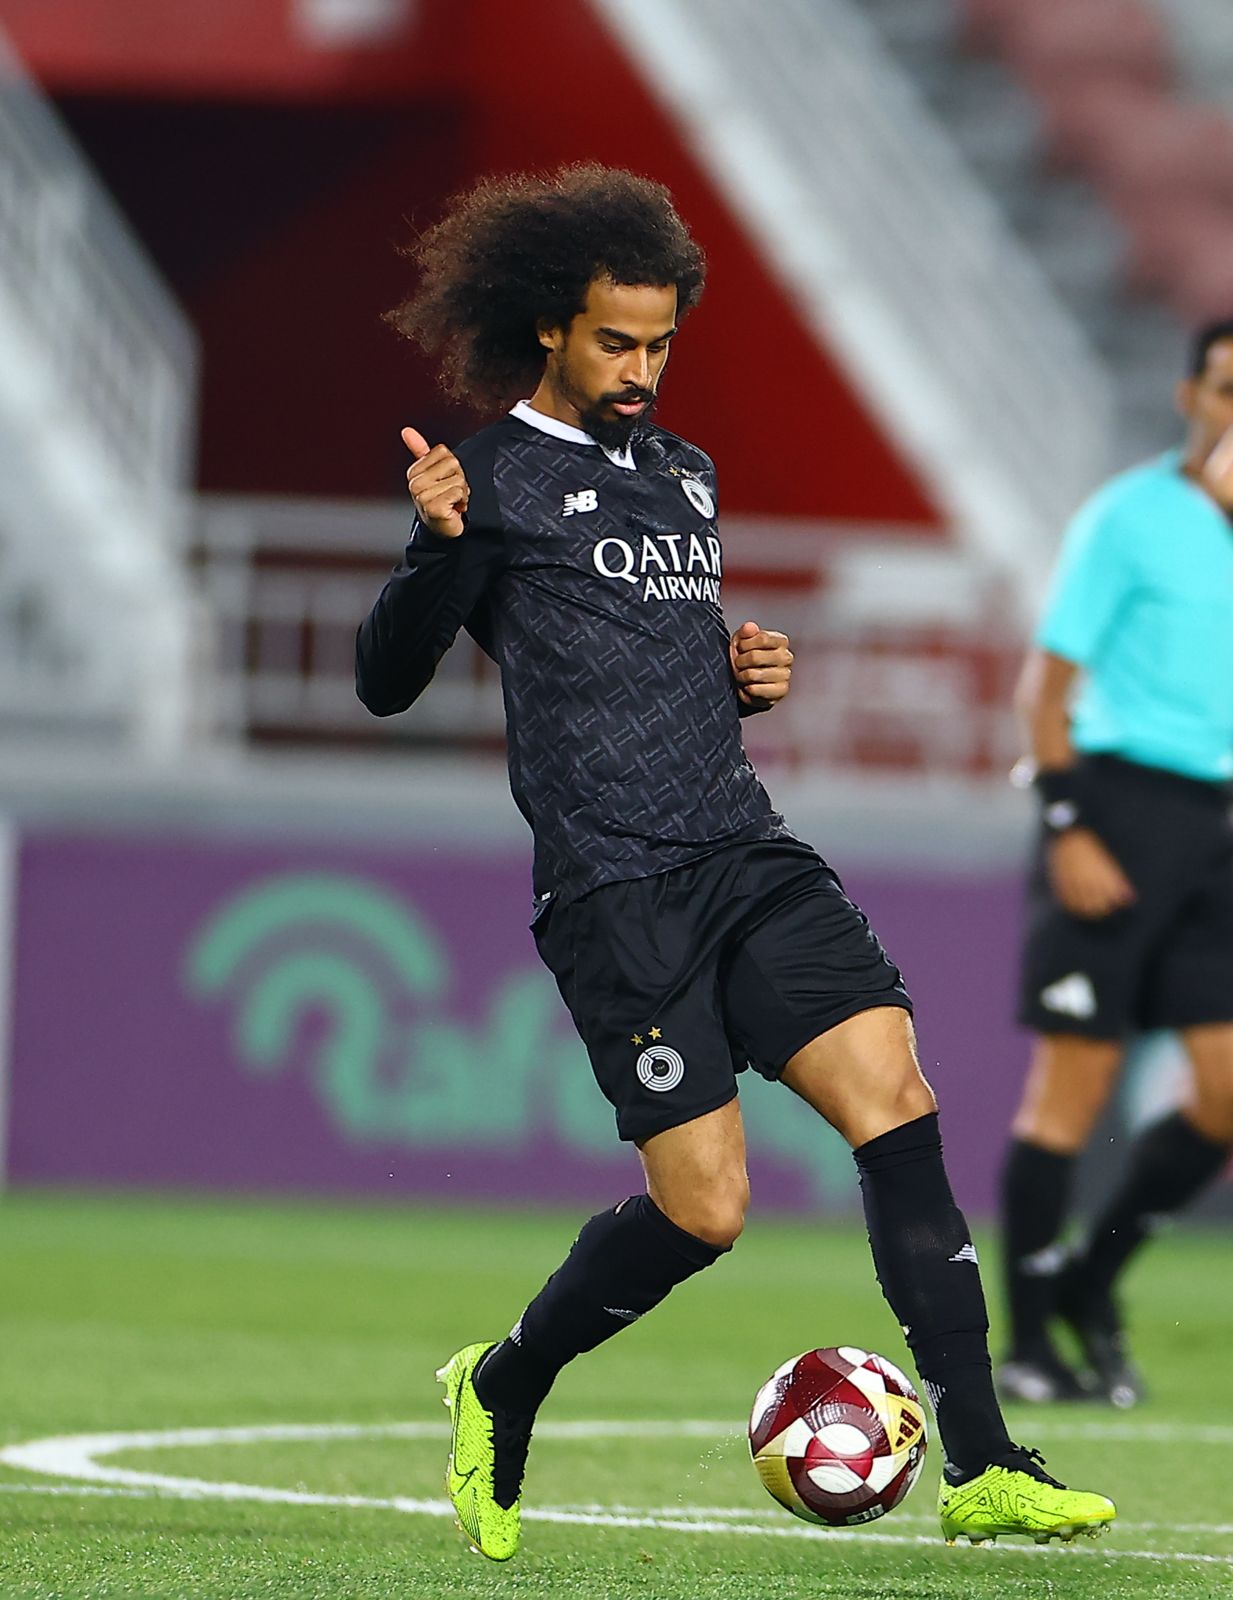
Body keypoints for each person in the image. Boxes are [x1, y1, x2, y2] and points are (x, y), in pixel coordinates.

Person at [356, 163, 1114, 1560]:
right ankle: (504, 1380)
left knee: (896, 1097)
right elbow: (385, 681)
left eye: (660, 345)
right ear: (550, 327)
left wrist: (737, 676)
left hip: (744, 851)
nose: (641, 371)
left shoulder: (683, 474)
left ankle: (985, 1460)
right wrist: (434, 547)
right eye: (615, 343)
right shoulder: (493, 479)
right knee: (705, 1212)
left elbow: (641, 659)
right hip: (615, 888)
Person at [998, 320, 1233, 1409]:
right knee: (1071, 1090)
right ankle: (1028, 1343)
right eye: (1225, 388)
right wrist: (1068, 826)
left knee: (1225, 1096)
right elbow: (1043, 692)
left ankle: (1092, 1280)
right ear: (1189, 395)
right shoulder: (1128, 518)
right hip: (1119, 806)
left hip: (1219, 828)